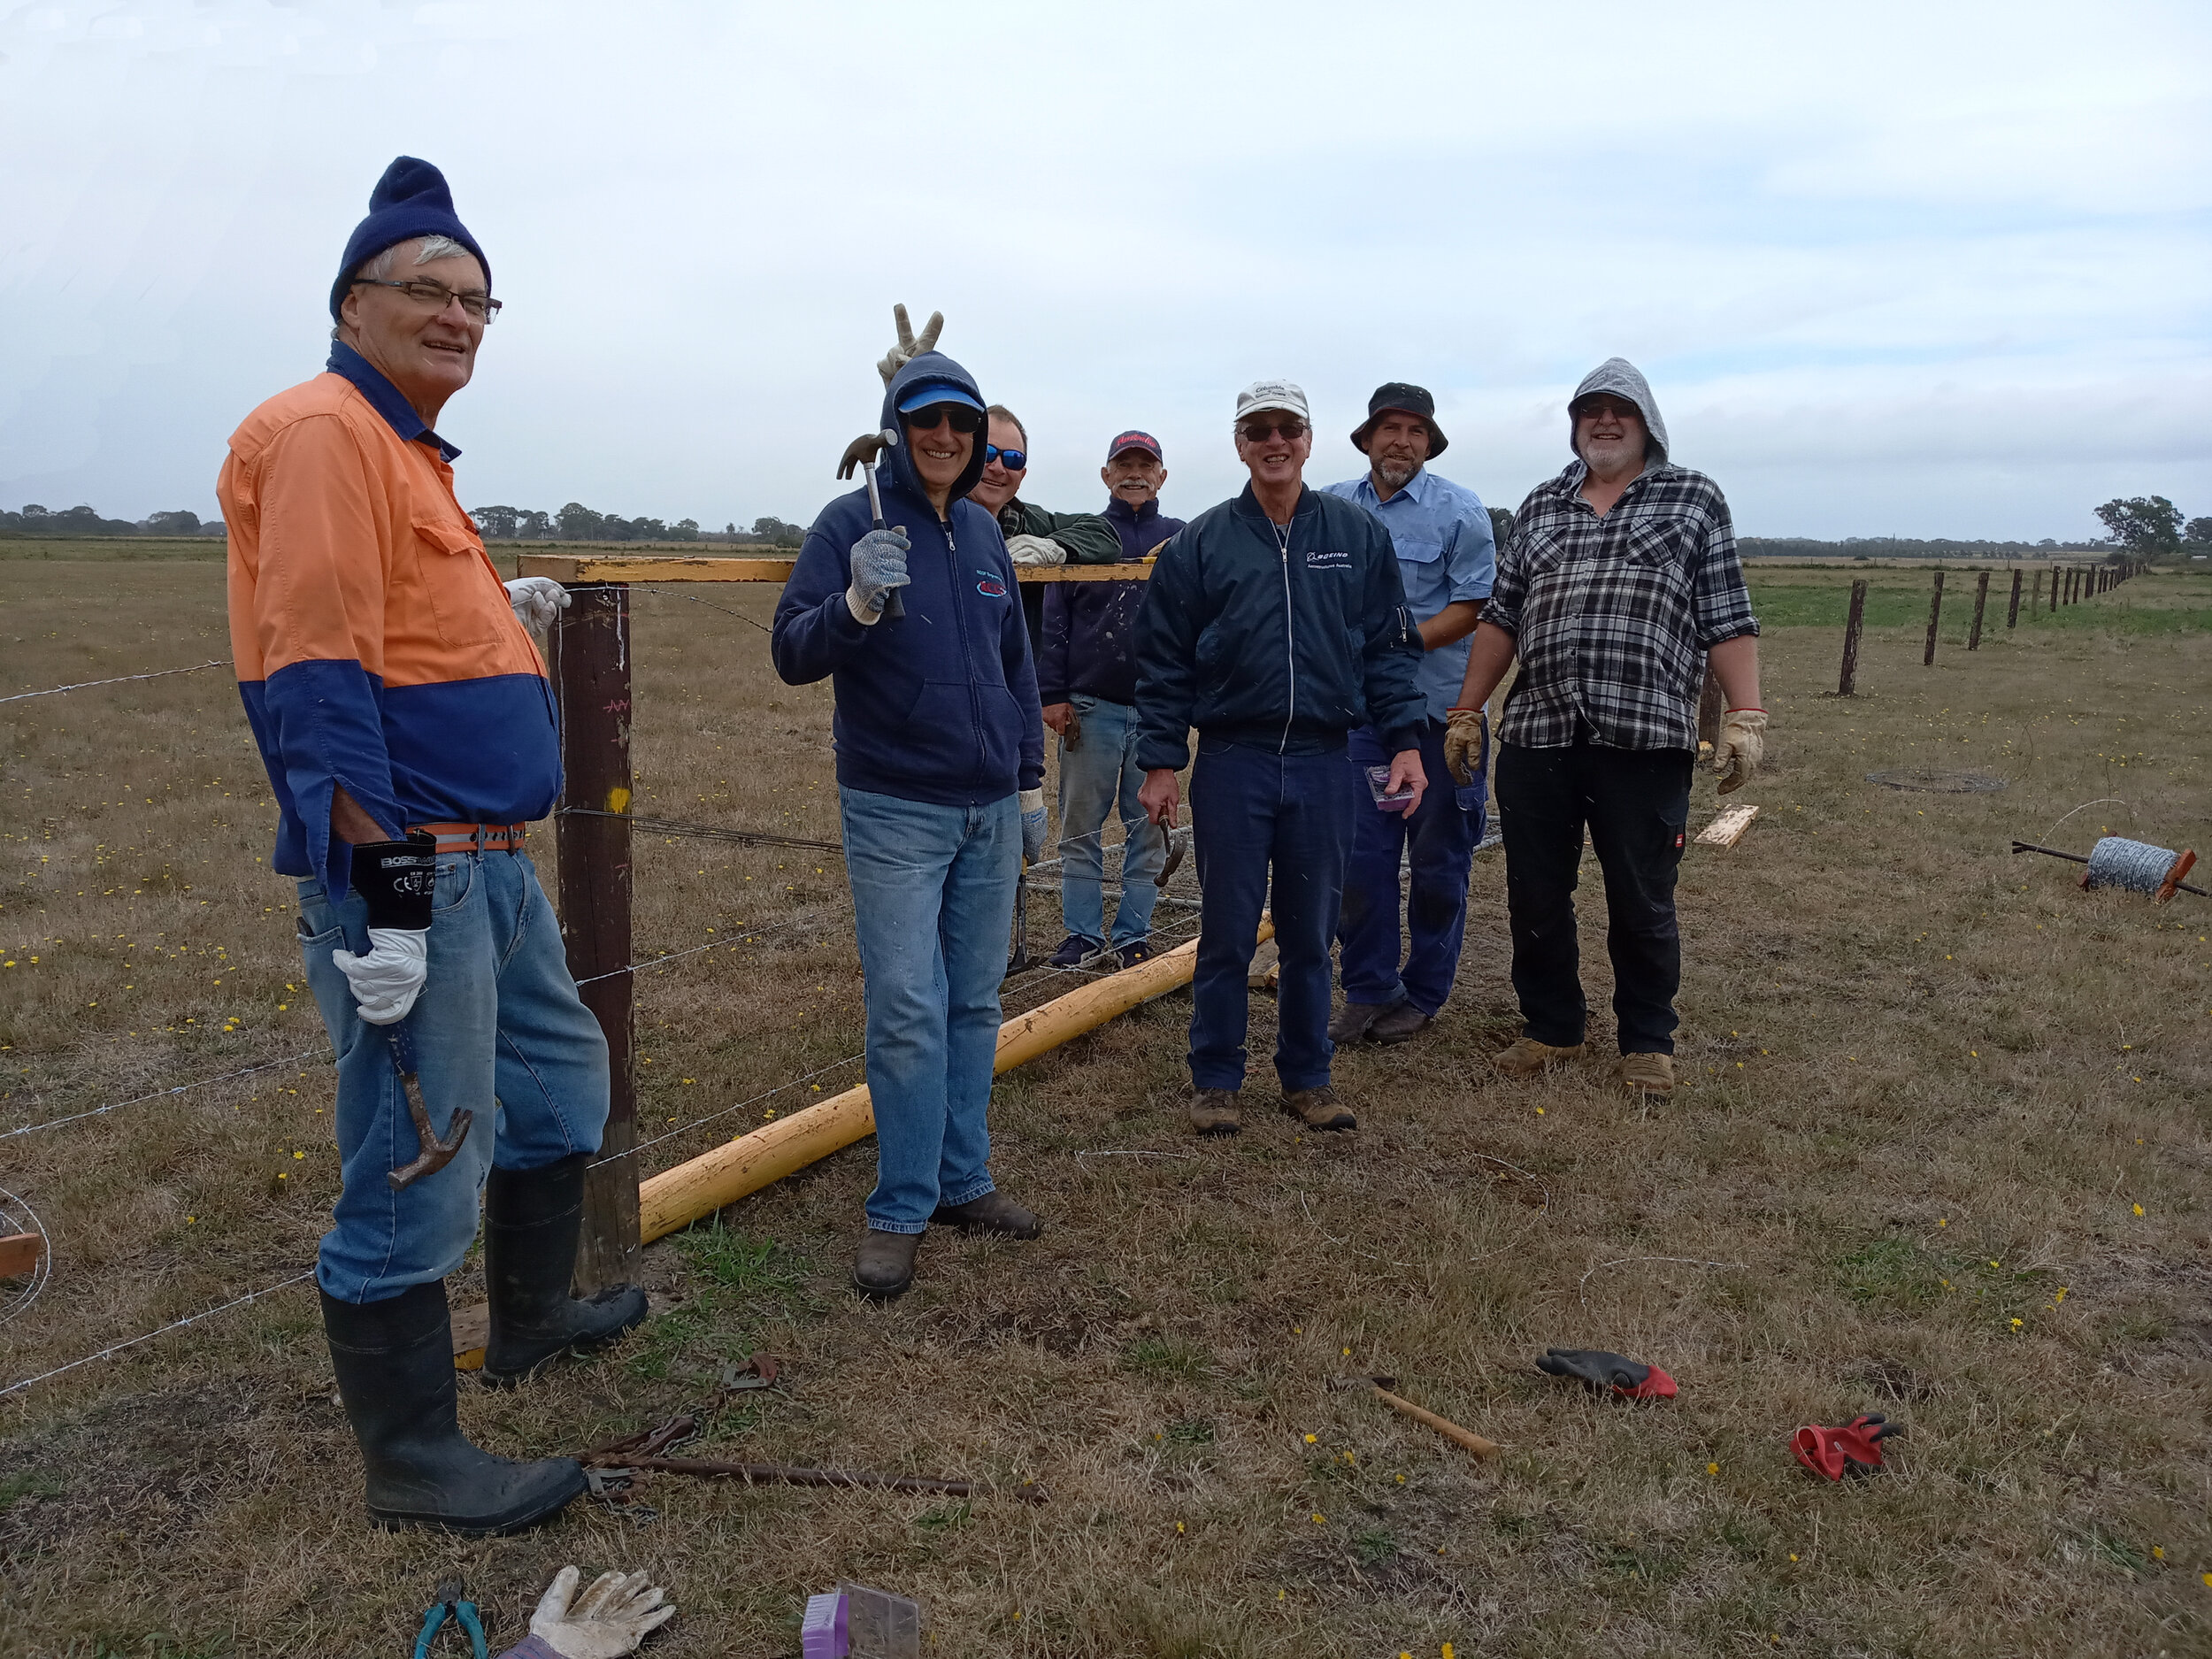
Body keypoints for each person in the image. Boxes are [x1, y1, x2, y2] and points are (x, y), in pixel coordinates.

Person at [221, 157, 645, 1536]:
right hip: (418, 869)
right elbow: (316, 675)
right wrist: (388, 895)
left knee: (558, 1073)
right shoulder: (327, 432)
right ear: (354, 302)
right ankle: (412, 1455)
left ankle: (530, 1318)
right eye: (428, 290)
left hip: (491, 864)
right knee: (421, 1140)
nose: (458, 315)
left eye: (477, 297)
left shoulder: (403, 449)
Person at [771, 347, 1048, 1299]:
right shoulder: (851, 524)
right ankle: (899, 1204)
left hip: (987, 809)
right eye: (925, 420)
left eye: (960, 425)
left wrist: (1028, 783)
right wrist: (852, 604)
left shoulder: (980, 535)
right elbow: (790, 651)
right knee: (905, 1009)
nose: (944, 437)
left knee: (974, 1004)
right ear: (897, 429)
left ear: (976, 441)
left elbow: (1016, 667)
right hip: (895, 807)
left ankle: (961, 1181)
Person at [1444, 358, 1763, 1096]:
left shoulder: (1693, 500)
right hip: (1540, 732)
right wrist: (1469, 707)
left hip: (1644, 736)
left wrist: (1746, 713)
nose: (1605, 422)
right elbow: (1502, 617)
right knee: (1535, 892)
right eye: (1591, 411)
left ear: (1647, 421)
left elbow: (1726, 614)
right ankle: (1551, 1026)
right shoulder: (1542, 504)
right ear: (1575, 425)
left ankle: (1647, 1040)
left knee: (1642, 894)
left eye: (1620, 410)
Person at [1134, 380, 1426, 1137]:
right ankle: (1217, 1079)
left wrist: (1404, 742)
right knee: (1228, 929)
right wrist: (1162, 762)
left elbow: (1389, 652)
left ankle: (1307, 1076)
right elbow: (1163, 661)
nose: (1274, 442)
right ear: (1239, 443)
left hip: (1326, 760)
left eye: (1287, 428)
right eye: (1258, 429)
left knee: (1310, 930)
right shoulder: (1202, 542)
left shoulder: (1357, 535)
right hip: (1235, 758)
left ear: (1307, 438)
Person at [1323, 384, 1496, 1047]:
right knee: (1359, 861)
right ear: (1367, 438)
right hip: (1358, 720)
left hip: (1438, 721)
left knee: (1438, 862)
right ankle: (1369, 987)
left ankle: (1423, 993)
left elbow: (1473, 606)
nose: (1401, 441)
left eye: (1415, 431)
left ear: (1430, 443)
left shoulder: (1462, 512)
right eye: (1389, 428)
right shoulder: (1330, 508)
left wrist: (1395, 644)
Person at [874, 305, 1118, 655]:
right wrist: (904, 405)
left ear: (1024, 473)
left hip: (1007, 688)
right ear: (967, 450)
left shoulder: (1029, 522)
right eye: (988, 454)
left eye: (1013, 459)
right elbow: (897, 479)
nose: (999, 468)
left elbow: (1104, 533)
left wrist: (1054, 548)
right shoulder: (923, 510)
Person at [1037, 431, 1185, 972]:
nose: (1135, 474)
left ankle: (1132, 937)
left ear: (1162, 476)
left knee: (1147, 830)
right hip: (1089, 709)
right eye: (1124, 464)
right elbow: (1054, 619)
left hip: (1156, 713)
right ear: (1106, 474)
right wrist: (1052, 694)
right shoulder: (1085, 536)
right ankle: (1081, 936)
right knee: (1080, 830)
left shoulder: (1180, 539)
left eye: (1146, 465)